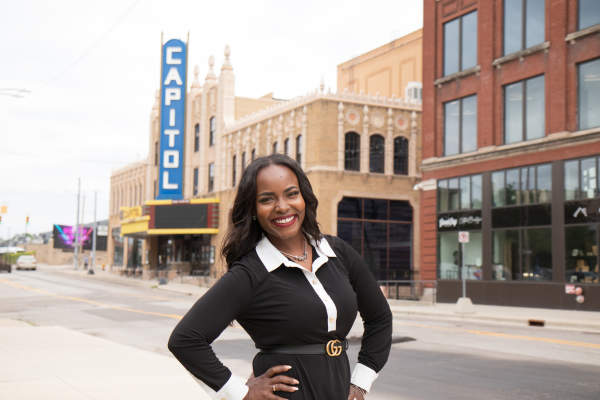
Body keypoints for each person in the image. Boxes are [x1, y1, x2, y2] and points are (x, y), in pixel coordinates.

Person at [168, 154, 392, 400]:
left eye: (291, 194)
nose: (282, 206)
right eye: (267, 199)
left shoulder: (337, 253)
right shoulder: (250, 272)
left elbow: (380, 318)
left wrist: (361, 382)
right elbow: (186, 340)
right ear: (253, 210)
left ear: (304, 197)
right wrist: (240, 393)